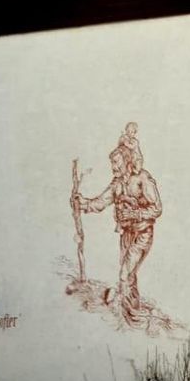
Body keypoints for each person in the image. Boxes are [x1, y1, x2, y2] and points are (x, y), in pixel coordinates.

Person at [76, 126, 162, 325]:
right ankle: (132, 312)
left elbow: (157, 208)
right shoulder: (117, 183)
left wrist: (136, 213)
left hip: (142, 234)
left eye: (116, 163)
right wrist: (83, 204)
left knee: (125, 273)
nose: (113, 167)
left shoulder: (143, 180)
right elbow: (101, 202)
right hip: (126, 234)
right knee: (129, 274)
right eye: (112, 164)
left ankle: (123, 314)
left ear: (127, 160)